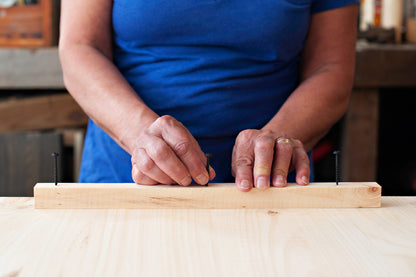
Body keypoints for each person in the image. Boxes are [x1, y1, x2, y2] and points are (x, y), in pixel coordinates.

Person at [59, 0, 358, 191]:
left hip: (269, 184)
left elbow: (330, 67)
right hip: (127, 176)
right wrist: (140, 136)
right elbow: (79, 47)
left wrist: (281, 134)